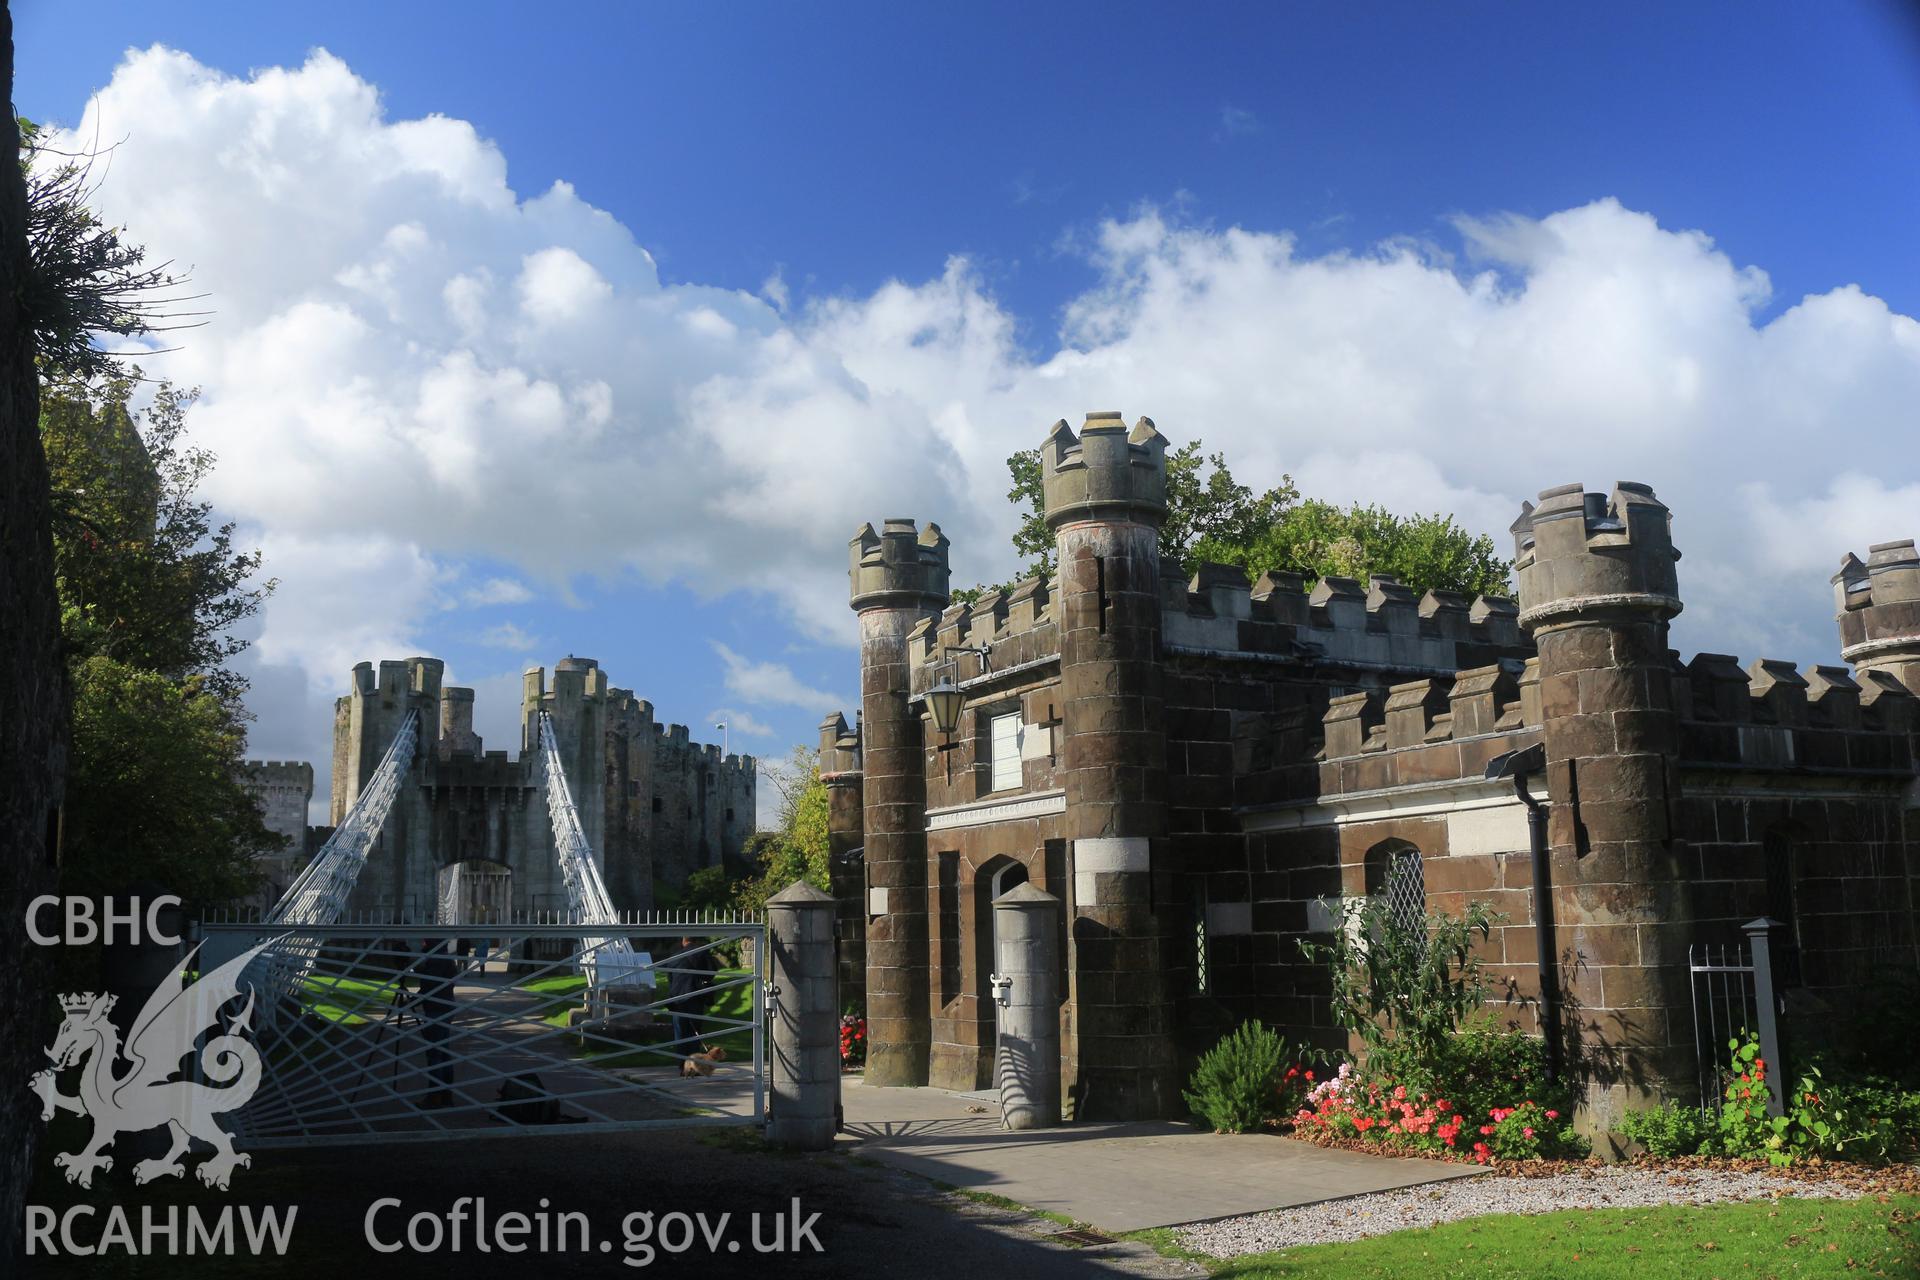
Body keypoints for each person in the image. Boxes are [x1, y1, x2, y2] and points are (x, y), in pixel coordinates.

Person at [412, 938, 465, 1108]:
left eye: (426, 943)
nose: (423, 945)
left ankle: (435, 1096)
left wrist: (417, 968)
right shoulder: (446, 958)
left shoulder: (436, 959)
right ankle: (445, 1095)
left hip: (436, 1007)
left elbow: (429, 985)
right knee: (443, 1052)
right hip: (445, 1006)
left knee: (435, 1054)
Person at [667, 936, 718, 1056]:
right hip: (695, 995)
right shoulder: (702, 952)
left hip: (677, 998)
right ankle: (694, 1063)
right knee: (694, 1031)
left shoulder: (674, 956)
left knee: (680, 1032)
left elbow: (670, 978)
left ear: (683, 941)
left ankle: (682, 1064)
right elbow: (711, 972)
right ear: (696, 940)